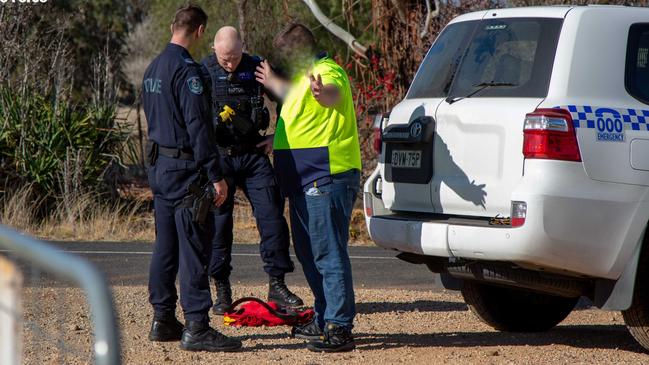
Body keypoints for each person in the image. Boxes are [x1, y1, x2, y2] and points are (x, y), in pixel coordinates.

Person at [254, 23, 362, 352]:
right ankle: (323, 314)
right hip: (302, 178)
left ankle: (340, 326)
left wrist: (322, 94)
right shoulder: (300, 81)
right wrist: (278, 140)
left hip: (327, 176)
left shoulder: (327, 72)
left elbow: (332, 95)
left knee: (328, 252)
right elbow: (302, 116)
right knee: (307, 252)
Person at [142, 4, 242, 352]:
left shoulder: (154, 67)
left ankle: (163, 318)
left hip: (160, 169)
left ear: (174, 26)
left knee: (165, 245)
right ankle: (197, 325)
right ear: (200, 31)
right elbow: (198, 128)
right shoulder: (189, 72)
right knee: (192, 247)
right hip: (186, 172)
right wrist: (216, 175)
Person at [200, 26, 303, 314]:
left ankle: (277, 284)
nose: (230, 64)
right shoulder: (202, 71)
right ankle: (221, 288)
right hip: (220, 159)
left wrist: (278, 136)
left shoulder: (258, 67)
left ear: (243, 47)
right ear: (213, 50)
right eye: (224, 58)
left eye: (234, 57)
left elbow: (290, 101)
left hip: (253, 155)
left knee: (272, 217)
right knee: (219, 226)